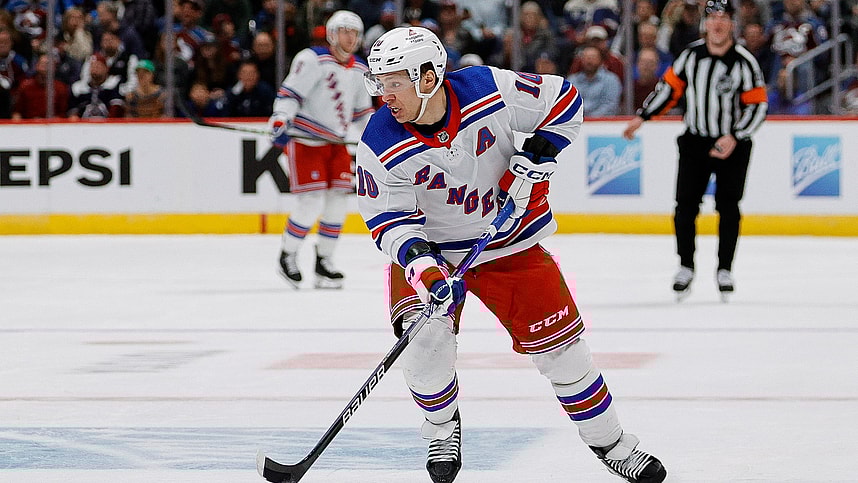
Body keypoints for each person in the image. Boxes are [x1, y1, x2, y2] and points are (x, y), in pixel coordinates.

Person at [356, 26, 667, 483]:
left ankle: (613, 444)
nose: (384, 94)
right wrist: (424, 269)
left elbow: (564, 101)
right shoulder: (379, 141)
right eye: (379, 82)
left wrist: (541, 151)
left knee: (566, 355)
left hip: (510, 244)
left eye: (394, 82)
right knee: (423, 349)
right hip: (435, 255)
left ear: (427, 78)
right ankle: (442, 428)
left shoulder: (486, 89)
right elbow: (389, 221)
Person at [623, 0, 768, 302]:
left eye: (723, 18)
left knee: (729, 208)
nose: (717, 23)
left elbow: (758, 104)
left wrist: (735, 136)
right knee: (685, 207)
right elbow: (668, 89)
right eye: (712, 17)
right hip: (695, 142)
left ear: (732, 23)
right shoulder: (691, 56)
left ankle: (724, 269)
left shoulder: (744, 61)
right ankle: (686, 265)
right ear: (705, 22)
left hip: (732, 145)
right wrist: (643, 116)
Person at [268, 10, 374, 289]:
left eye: (354, 32)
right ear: (331, 34)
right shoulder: (312, 59)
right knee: (311, 202)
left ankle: (324, 261)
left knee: (338, 203)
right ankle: (288, 254)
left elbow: (363, 114)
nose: (350, 37)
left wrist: (376, 139)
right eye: (344, 31)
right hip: (307, 141)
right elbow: (290, 94)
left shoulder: (360, 69)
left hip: (337, 144)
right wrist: (281, 118)